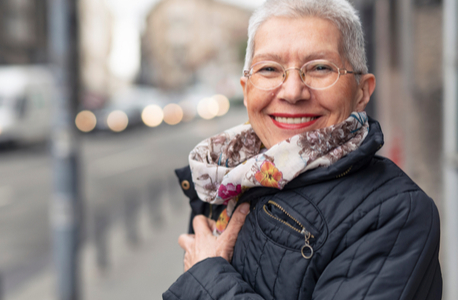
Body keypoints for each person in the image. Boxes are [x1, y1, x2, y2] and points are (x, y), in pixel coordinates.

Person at [163, 0, 443, 299]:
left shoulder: (394, 213)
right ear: (246, 90)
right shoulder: (227, 175)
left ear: (363, 92)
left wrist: (205, 275)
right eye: (269, 69)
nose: (293, 91)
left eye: (320, 67)